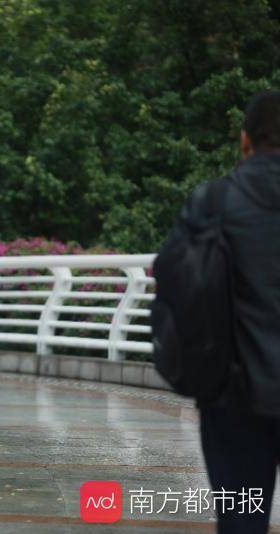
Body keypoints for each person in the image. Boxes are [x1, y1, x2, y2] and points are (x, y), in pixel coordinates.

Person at [163, 91, 280, 533]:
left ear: (244, 141)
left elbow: (176, 285)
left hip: (233, 395)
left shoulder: (212, 202)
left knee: (242, 519)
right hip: (233, 392)